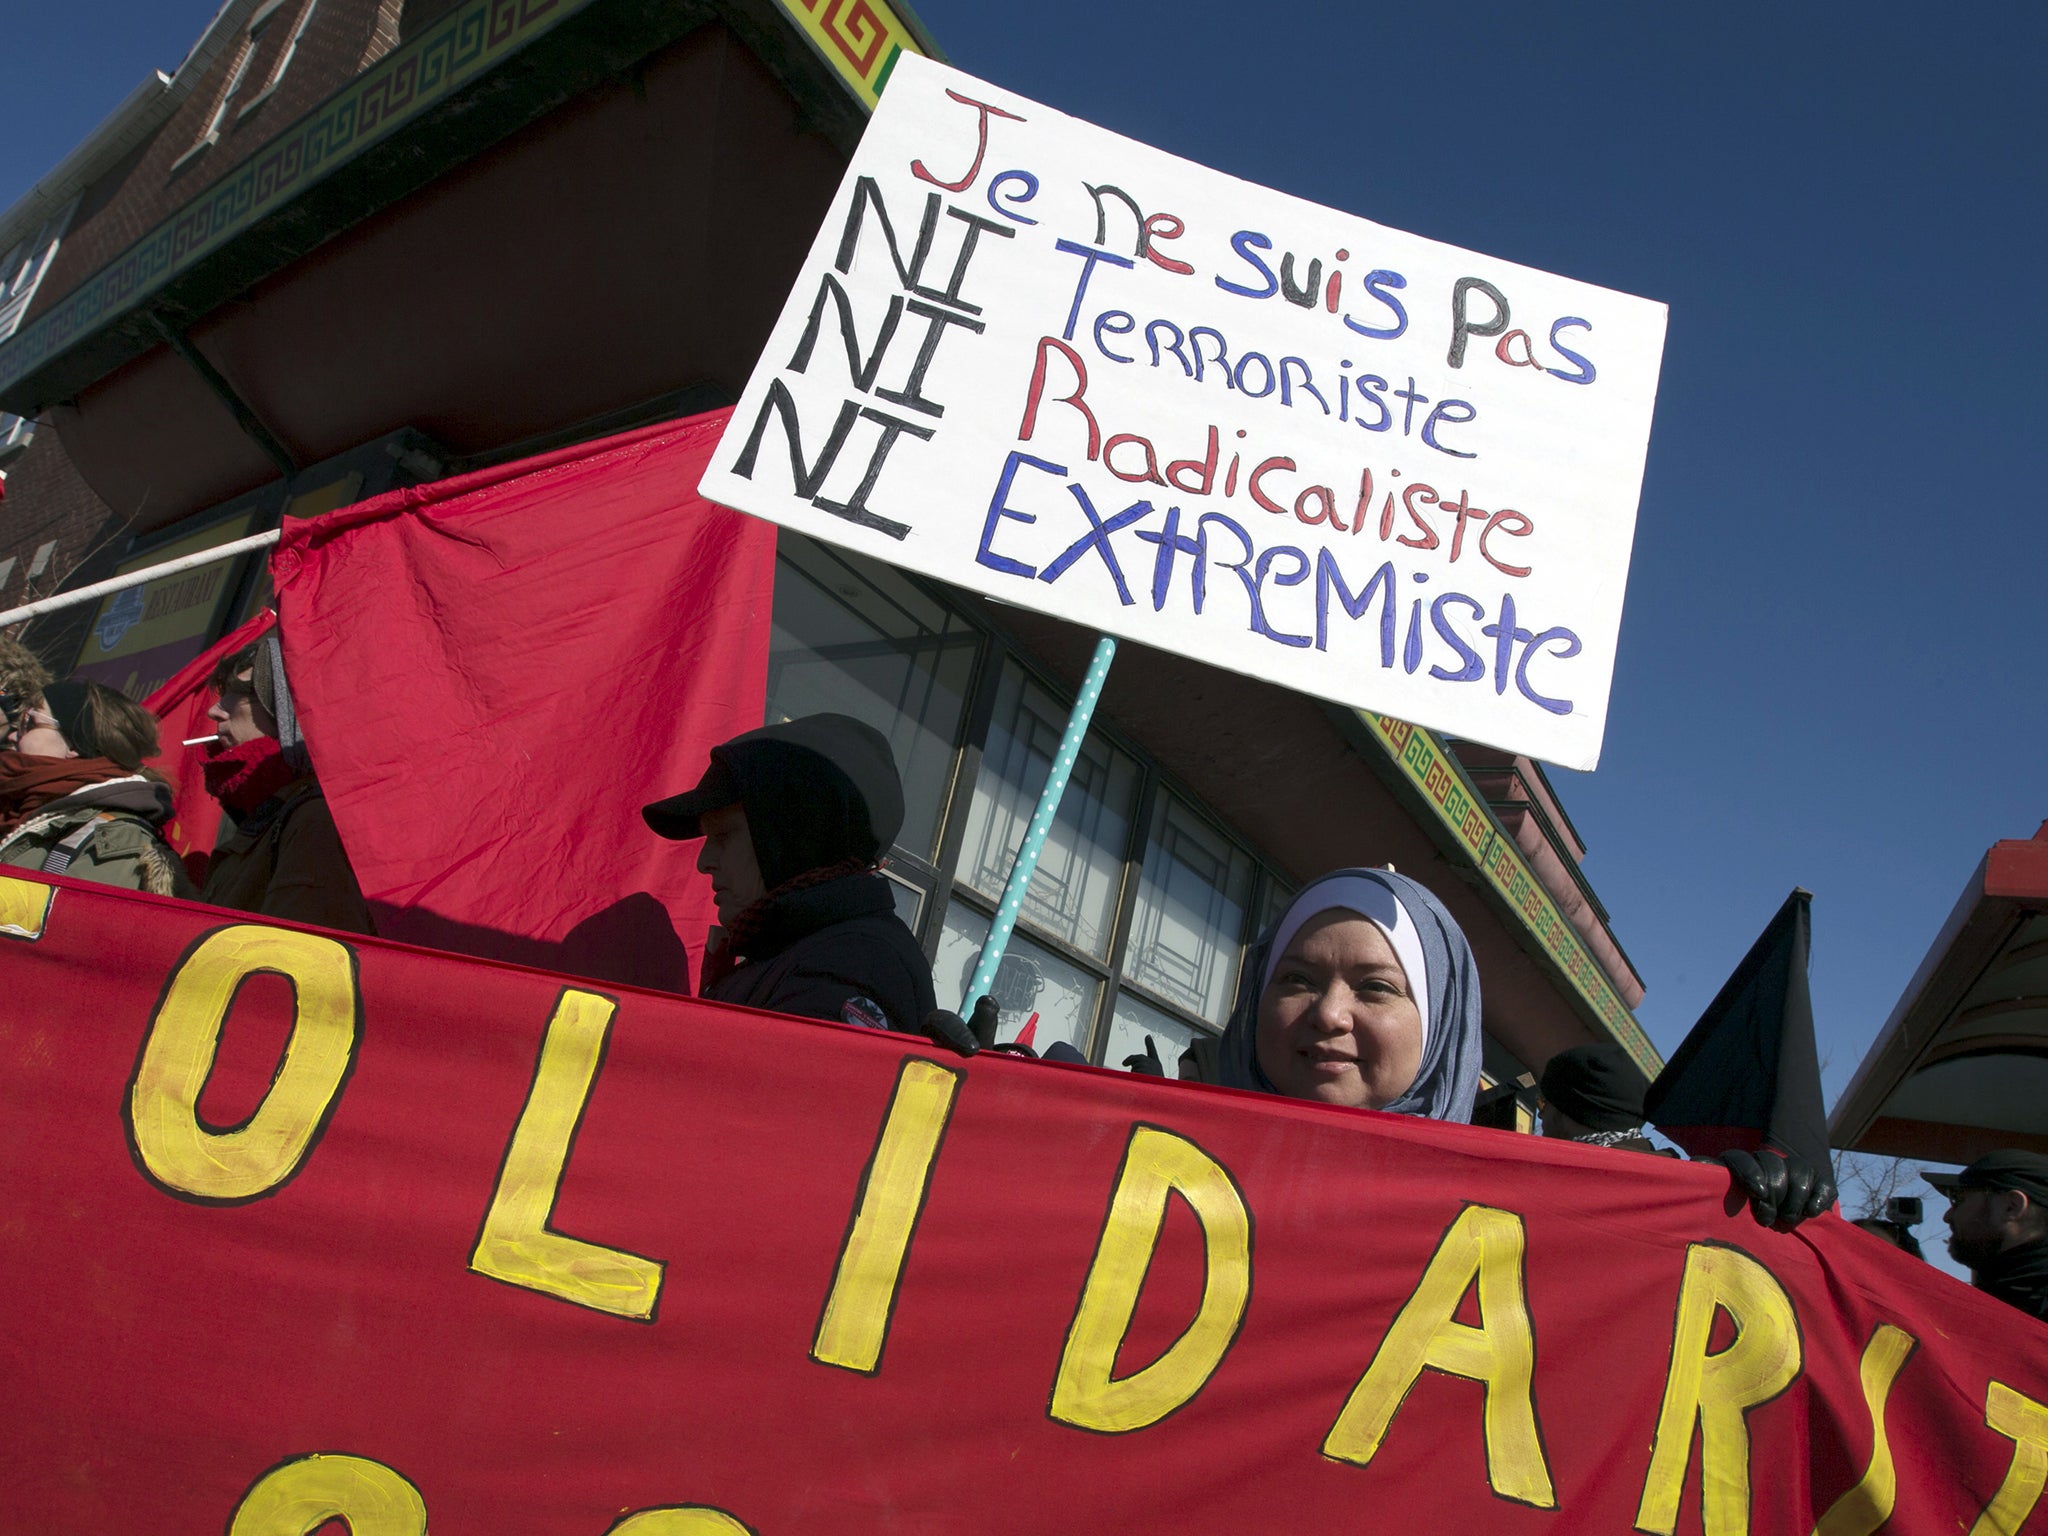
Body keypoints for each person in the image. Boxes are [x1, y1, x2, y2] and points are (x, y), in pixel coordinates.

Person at [643, 713, 936, 1032]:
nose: (704, 862)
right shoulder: (805, 950)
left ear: (794, 837)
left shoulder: (852, 962)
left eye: (723, 836)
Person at [1216, 867, 1482, 1121]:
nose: (1329, 1015)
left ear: (1440, 1023)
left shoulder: (1486, 1170)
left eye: (1375, 987)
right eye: (1298, 979)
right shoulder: (1181, 1158)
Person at [200, 634, 374, 934]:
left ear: (288, 708)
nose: (214, 710)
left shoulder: (316, 818)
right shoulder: (270, 811)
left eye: (237, 694)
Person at [0, 679, 195, 897]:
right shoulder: (17, 810)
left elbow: (71, 926)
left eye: (30, 722)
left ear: (74, 743)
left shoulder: (115, 841)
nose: (11, 735)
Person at [1926, 1151, 2048, 1322]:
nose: (1947, 1216)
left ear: (2011, 1207)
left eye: (1958, 1199)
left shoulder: (2031, 1307)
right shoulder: (2006, 1296)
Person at [1538, 1042, 1673, 1156]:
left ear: (1570, 1110)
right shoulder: (1668, 1177)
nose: (1540, 1114)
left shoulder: (1575, 1178)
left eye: (1544, 1103)